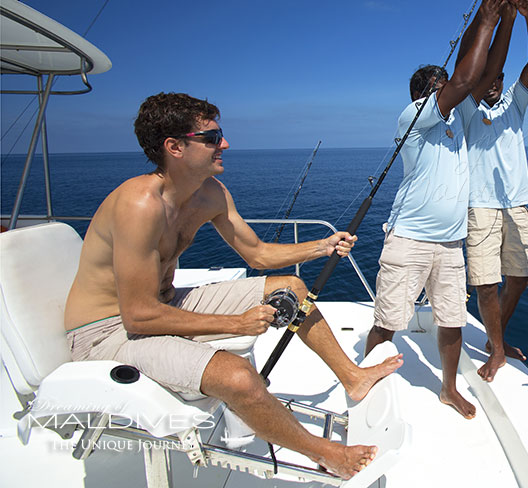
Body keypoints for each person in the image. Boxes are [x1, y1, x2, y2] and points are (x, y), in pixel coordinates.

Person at [64, 92, 402, 480]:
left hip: (163, 303)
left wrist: (322, 246)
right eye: (211, 137)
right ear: (174, 147)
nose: (224, 144)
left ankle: (352, 377)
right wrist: (235, 324)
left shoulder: (209, 193)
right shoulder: (139, 205)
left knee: (292, 287)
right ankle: (327, 454)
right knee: (239, 376)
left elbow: (256, 254)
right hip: (105, 332)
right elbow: (138, 316)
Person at [364, 0, 508, 419]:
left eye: (442, 86)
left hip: (450, 245)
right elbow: (465, 76)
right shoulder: (413, 116)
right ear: (419, 96)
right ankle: (365, 378)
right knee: (388, 321)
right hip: (408, 240)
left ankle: (447, 388)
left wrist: (505, 19)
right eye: (435, 87)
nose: (444, 91)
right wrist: (485, 11)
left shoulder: (460, 118)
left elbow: (480, 70)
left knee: (452, 321)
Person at [455, 0, 528, 381]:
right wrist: (497, 17)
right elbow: (473, 66)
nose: (494, 84)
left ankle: (499, 335)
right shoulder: (467, 108)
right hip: (480, 206)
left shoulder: (516, 104)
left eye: (499, 80)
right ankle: (496, 348)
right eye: (489, 78)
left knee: (521, 276)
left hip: (516, 205)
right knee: (487, 285)